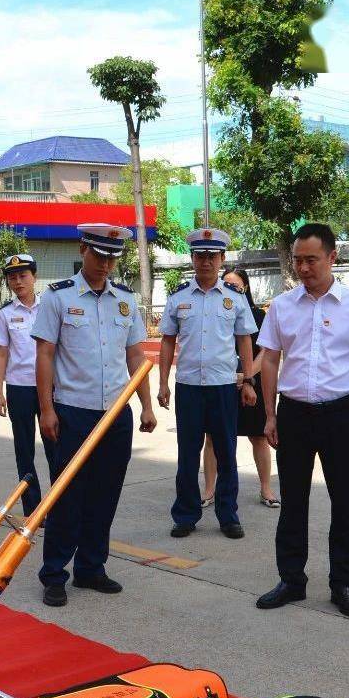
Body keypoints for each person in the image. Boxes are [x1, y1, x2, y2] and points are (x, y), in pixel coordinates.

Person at [255, 223, 349, 618]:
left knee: (345, 501)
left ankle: (344, 584)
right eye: (298, 260)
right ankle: (291, 580)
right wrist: (270, 414)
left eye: (311, 259)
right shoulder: (282, 306)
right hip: (293, 413)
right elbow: (271, 360)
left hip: (339, 414)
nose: (304, 268)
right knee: (293, 500)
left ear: (332, 257)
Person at [32, 223, 157, 607]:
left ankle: (91, 568)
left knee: (105, 495)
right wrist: (46, 409)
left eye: (112, 258)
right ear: (84, 249)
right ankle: (55, 573)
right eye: (100, 256)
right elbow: (45, 355)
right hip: (73, 411)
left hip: (115, 414)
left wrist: (146, 404)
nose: (106, 265)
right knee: (67, 496)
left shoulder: (125, 300)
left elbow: (136, 355)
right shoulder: (57, 297)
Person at [158, 229, 257, 539]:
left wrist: (249, 380)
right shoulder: (178, 298)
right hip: (188, 386)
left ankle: (228, 515)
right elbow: (167, 342)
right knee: (187, 453)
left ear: (222, 259)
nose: (205, 262)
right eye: (199, 256)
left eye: (211, 256)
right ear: (192, 258)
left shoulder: (234, 298)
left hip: (223, 386)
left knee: (227, 452)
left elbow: (245, 342)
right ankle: (186, 515)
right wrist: (163, 383)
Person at [200, 265, 280, 509]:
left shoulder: (258, 316)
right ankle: (209, 490)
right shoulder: (213, 313)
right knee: (213, 438)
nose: (231, 288)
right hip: (220, 385)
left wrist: (246, 377)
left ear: (245, 288)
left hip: (251, 384)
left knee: (259, 437)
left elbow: (264, 352)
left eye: (236, 285)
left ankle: (266, 489)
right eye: (227, 284)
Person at [0, 253, 58, 517]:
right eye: (12, 277)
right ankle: (33, 509)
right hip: (19, 388)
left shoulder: (50, 307)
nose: (18, 282)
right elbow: (2, 353)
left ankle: (57, 505)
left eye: (23, 276)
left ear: (35, 277)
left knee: (55, 447)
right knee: (24, 452)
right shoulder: (5, 314)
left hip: (50, 388)